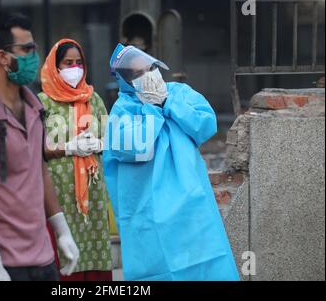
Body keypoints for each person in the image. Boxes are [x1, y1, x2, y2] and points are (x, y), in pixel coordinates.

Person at [0, 11, 79, 281]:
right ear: (3, 58)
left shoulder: (35, 108)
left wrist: (61, 229)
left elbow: (39, 170)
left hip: (42, 260)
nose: (35, 56)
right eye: (27, 49)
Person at [103, 44, 240, 281]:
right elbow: (136, 148)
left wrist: (168, 104)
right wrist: (153, 110)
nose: (148, 76)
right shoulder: (122, 111)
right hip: (148, 215)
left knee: (205, 266)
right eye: (138, 74)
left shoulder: (179, 93)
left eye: (151, 68)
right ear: (126, 82)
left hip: (191, 209)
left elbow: (205, 125)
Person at [38, 39, 112, 281]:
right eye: (68, 63)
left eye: (79, 62)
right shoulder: (42, 102)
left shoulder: (94, 99)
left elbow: (111, 139)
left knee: (95, 247)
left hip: (94, 193)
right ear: (55, 66)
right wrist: (67, 148)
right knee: (63, 248)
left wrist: (99, 145)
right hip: (57, 191)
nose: (74, 68)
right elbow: (35, 147)